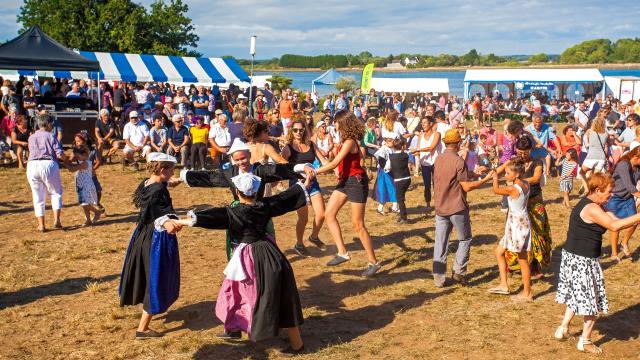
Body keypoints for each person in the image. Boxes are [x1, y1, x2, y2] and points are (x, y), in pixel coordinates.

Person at [178, 173, 310, 354]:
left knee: (238, 293)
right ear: (256, 192)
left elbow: (209, 217)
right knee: (281, 296)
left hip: (250, 258)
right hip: (271, 253)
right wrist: (306, 182)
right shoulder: (264, 206)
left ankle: (237, 328)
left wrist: (178, 221)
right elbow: (286, 197)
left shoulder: (234, 212)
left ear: (237, 192)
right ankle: (295, 343)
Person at [554, 173, 640, 354]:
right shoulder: (592, 209)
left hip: (574, 258)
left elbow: (616, 221)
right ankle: (584, 341)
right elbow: (614, 227)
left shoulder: (595, 204)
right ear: (597, 190)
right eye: (609, 191)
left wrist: (635, 217)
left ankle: (563, 328)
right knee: (592, 303)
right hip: (582, 262)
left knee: (575, 295)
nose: (612, 194)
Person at [119, 152, 183, 340]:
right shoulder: (159, 191)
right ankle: (143, 329)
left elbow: (155, 193)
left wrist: (171, 182)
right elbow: (162, 217)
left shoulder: (146, 183)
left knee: (148, 275)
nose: (173, 172)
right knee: (157, 278)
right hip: (156, 239)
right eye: (171, 169)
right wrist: (173, 223)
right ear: (162, 169)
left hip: (141, 235)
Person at [316, 110, 381, 277]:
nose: (334, 124)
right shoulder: (346, 140)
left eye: (336, 121)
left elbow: (335, 162)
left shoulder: (350, 141)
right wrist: (358, 167)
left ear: (343, 123)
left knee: (358, 224)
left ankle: (373, 262)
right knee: (328, 214)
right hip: (345, 181)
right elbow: (357, 159)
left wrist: (315, 171)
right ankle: (342, 252)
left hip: (356, 183)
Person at [432, 128, 493, 287]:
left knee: (441, 242)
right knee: (464, 238)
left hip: (440, 206)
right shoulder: (458, 161)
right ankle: (459, 271)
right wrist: (485, 180)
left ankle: (439, 277)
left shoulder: (438, 159)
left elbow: (454, 176)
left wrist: (474, 173)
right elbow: (465, 186)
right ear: (458, 143)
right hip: (457, 207)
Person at [499, 136, 551, 279]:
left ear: (531, 149)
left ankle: (534, 265)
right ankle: (515, 264)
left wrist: (517, 181)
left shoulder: (537, 162)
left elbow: (535, 178)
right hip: (518, 205)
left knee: (536, 234)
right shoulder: (514, 162)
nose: (522, 155)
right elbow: (500, 169)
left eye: (525, 152)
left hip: (534, 202)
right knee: (515, 234)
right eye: (520, 152)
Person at [280, 119, 328, 256]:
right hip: (298, 185)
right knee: (304, 218)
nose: (298, 132)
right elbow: (282, 166)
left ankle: (313, 236)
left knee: (321, 214)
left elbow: (324, 161)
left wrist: (335, 168)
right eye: (295, 130)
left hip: (313, 182)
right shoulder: (288, 148)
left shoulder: (311, 144)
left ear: (305, 131)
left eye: (301, 130)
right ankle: (299, 244)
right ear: (291, 131)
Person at [489, 159, 532, 302]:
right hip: (517, 222)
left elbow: (496, 190)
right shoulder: (525, 183)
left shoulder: (513, 189)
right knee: (499, 251)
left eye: (508, 173)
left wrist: (495, 177)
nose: (505, 175)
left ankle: (527, 293)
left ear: (517, 173)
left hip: (517, 225)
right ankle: (503, 285)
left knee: (522, 259)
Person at [26, 114, 68, 232]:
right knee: (55, 193)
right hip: (48, 164)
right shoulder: (51, 135)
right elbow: (59, 153)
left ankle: (41, 225)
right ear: (48, 124)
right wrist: (68, 161)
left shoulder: (31, 137)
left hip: (32, 165)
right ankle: (57, 220)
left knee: (37, 196)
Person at [605, 146, 640, 261]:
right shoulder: (624, 164)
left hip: (628, 198)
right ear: (636, 156)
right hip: (615, 198)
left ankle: (624, 242)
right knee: (616, 226)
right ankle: (614, 254)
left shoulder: (638, 168)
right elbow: (629, 186)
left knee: (636, 220)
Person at [67, 145, 102, 226]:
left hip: (85, 186)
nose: (76, 158)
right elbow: (92, 173)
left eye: (78, 156)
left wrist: (66, 163)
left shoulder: (84, 163)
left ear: (84, 155)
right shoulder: (87, 162)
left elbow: (72, 170)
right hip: (83, 185)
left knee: (84, 203)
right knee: (85, 204)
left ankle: (97, 211)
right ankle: (88, 220)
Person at [413, 116, 441, 212]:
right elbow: (418, 150)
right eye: (422, 123)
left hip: (436, 163)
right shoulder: (421, 135)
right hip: (424, 163)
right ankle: (428, 204)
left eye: (425, 123)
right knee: (427, 185)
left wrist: (417, 150)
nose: (423, 125)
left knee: (436, 185)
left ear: (431, 124)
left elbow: (432, 147)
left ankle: (438, 204)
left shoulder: (437, 134)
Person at [372, 136, 398, 215]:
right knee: (386, 189)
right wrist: (387, 168)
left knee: (393, 188)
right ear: (387, 142)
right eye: (391, 142)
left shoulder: (392, 149)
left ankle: (394, 206)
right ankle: (382, 208)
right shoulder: (383, 150)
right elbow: (381, 161)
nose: (393, 143)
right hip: (385, 173)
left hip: (390, 172)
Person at [388, 137, 411, 223]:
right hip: (407, 179)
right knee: (401, 197)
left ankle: (404, 218)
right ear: (402, 146)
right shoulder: (406, 155)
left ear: (393, 147)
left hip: (399, 180)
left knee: (399, 199)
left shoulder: (391, 157)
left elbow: (387, 168)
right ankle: (402, 215)